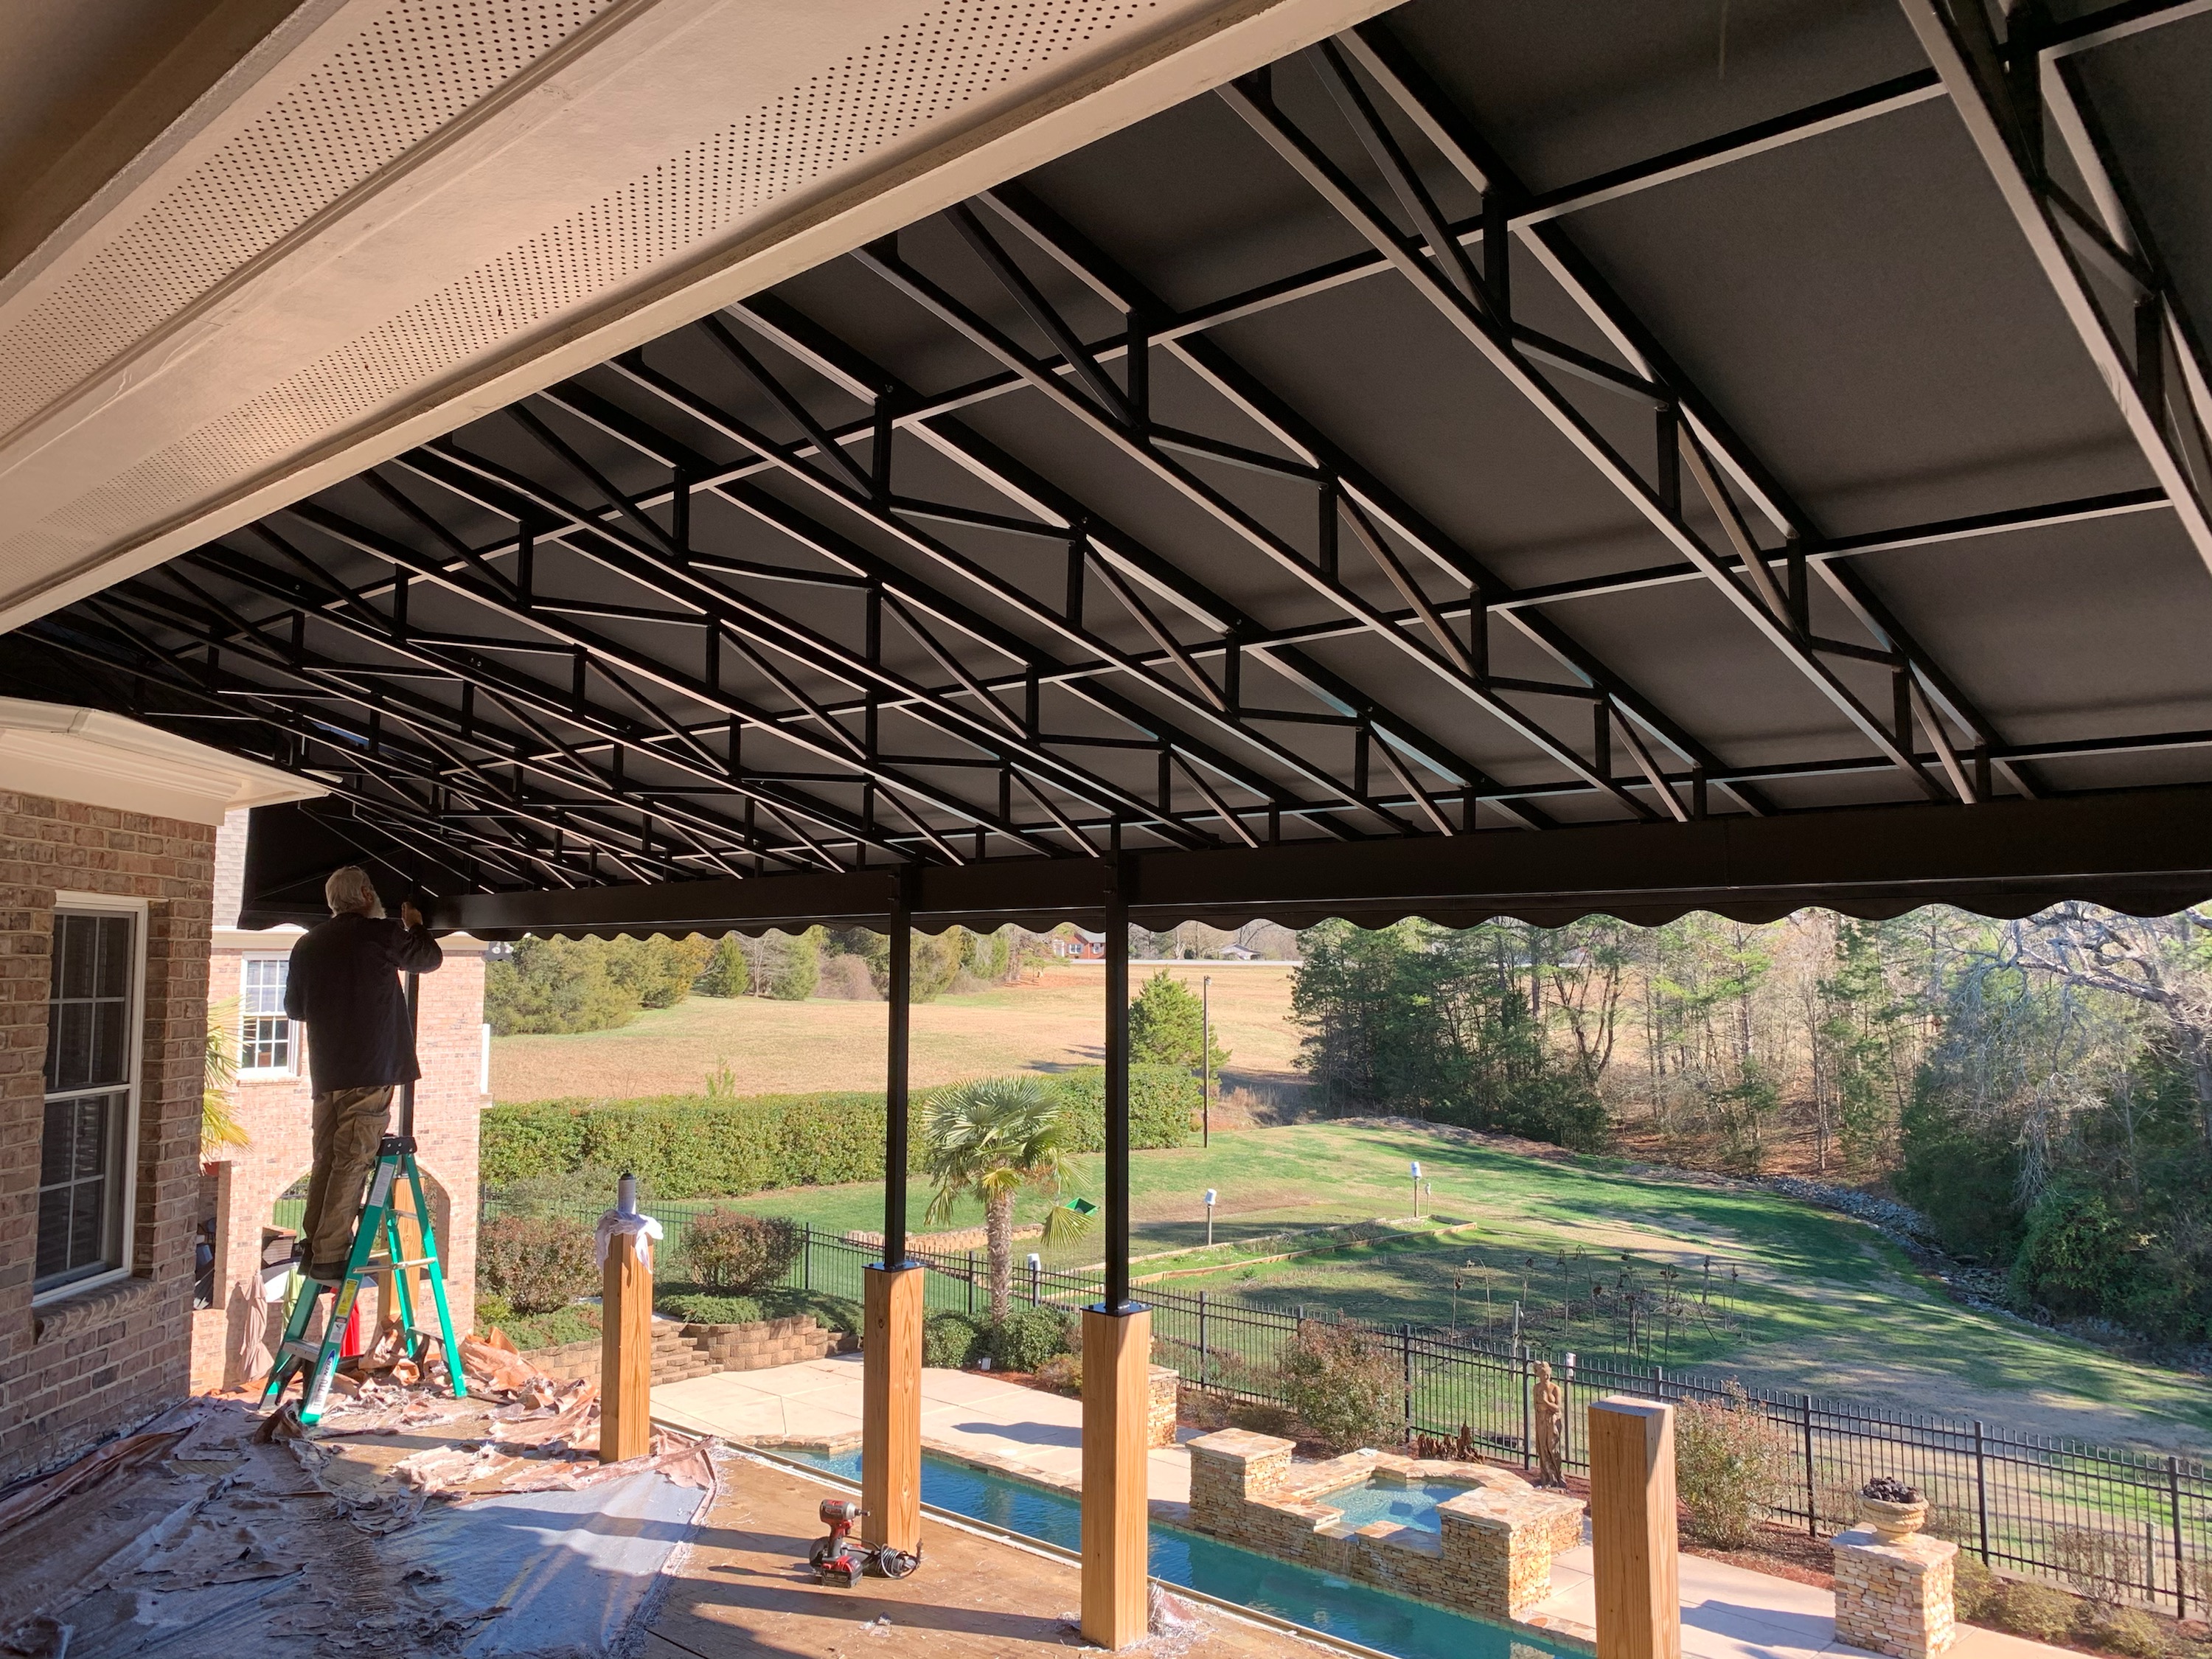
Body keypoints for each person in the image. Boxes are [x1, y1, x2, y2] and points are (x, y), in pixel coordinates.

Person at [283, 866, 443, 1282]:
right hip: (371, 1070)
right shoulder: (380, 933)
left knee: (328, 1158)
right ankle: (331, 1255)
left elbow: (295, 1010)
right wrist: (416, 927)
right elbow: (428, 959)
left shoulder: (308, 944)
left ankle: (315, 1246)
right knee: (353, 1159)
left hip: (327, 1071)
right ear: (366, 893)